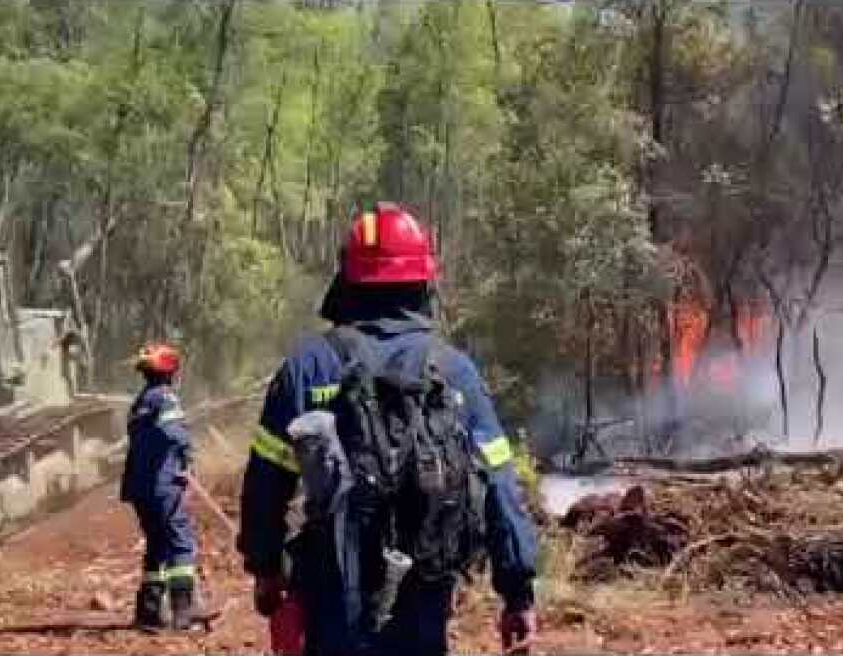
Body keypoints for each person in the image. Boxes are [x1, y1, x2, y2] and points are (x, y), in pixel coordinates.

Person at [237, 203, 538, 656]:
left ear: (348, 281)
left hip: (330, 593)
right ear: (422, 282)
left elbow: (266, 482)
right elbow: (499, 484)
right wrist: (518, 592)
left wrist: (265, 568)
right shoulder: (454, 372)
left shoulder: (309, 366)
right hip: (425, 590)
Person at [120, 342, 200, 631]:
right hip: (163, 484)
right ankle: (183, 614)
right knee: (181, 543)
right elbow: (174, 432)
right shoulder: (165, 398)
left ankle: (148, 612)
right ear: (170, 371)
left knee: (157, 544)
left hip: (140, 487)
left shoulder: (141, 401)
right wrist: (188, 456)